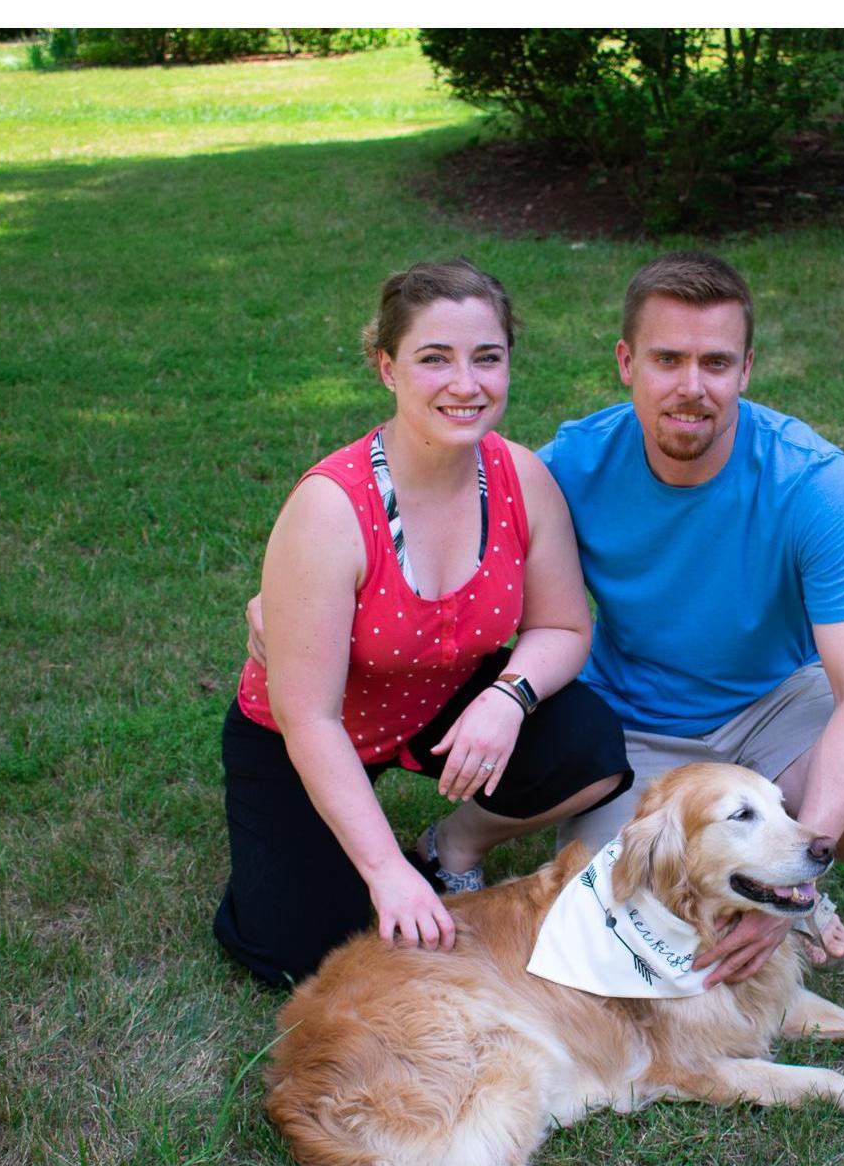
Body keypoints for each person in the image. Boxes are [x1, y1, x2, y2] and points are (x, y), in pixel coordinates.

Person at [214, 259, 630, 988]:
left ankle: (448, 850)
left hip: (437, 702)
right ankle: (318, 865)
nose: (465, 384)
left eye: (487, 358)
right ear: (387, 367)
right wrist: (384, 874)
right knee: (313, 953)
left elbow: (564, 629)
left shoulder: (522, 478)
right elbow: (308, 716)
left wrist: (508, 698)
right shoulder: (330, 508)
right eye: (434, 358)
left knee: (587, 743)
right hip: (307, 731)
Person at [536, 250, 844, 988]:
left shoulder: (810, 479)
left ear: (745, 369)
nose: (691, 386)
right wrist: (305, 590)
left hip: (773, 703)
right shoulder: (572, 464)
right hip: (631, 719)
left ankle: (786, 891)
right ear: (626, 362)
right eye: (667, 358)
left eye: (715, 362)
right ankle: (736, 875)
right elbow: (451, 527)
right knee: (604, 904)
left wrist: (789, 892)